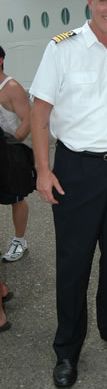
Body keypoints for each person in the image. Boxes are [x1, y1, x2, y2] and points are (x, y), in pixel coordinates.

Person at [30, 0, 107, 388]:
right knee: (73, 263)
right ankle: (67, 348)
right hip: (77, 168)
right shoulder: (63, 49)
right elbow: (40, 114)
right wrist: (43, 169)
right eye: (104, 0)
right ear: (90, 2)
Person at [0, 46, 31, 262]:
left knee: (16, 199)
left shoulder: (11, 87)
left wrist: (12, 145)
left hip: (7, 153)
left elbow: (28, 120)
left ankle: (20, 240)